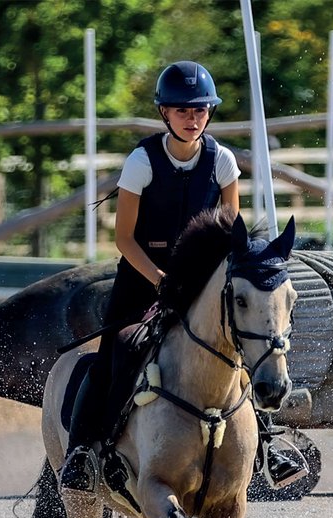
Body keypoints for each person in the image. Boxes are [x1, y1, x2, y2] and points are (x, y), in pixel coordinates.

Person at [59, 61, 307, 492]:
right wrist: (158, 280)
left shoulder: (223, 162)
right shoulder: (142, 161)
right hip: (141, 278)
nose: (191, 120)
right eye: (181, 111)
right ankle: (82, 452)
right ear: (164, 114)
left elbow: (232, 233)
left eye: (199, 111)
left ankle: (268, 443)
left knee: (242, 350)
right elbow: (123, 238)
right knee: (113, 357)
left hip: (202, 286)